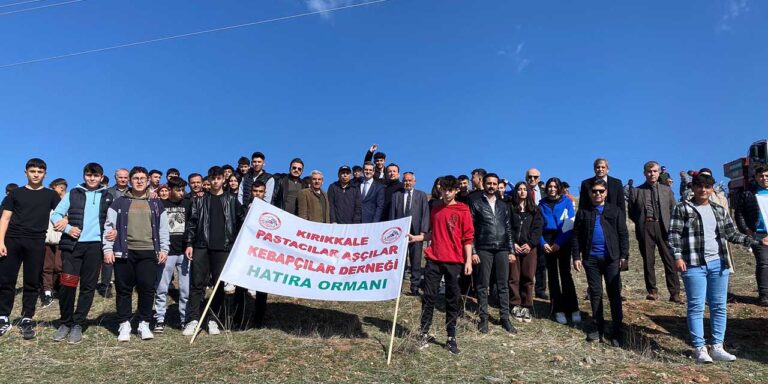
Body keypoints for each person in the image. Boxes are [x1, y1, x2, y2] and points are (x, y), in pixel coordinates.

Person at [669, 173, 764, 363]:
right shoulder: (682, 208)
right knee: (696, 306)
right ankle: (699, 348)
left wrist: (756, 241)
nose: (703, 190)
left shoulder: (719, 210)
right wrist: (677, 257)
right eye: (699, 186)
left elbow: (732, 234)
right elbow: (674, 235)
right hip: (694, 264)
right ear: (693, 188)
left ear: (712, 189)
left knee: (719, 306)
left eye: (707, 187)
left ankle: (717, 346)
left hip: (718, 264)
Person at [102, 166, 169, 342]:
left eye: (142, 178)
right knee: (123, 289)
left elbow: (163, 229)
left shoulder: (156, 203)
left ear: (148, 181)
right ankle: (124, 324)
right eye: (136, 178)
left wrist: (164, 249)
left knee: (147, 289)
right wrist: (108, 248)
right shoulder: (119, 203)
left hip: (148, 251)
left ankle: (144, 323)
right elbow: (109, 227)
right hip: (125, 252)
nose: (139, 181)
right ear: (130, 181)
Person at [50, 163, 114, 344]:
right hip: (73, 247)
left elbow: (114, 221)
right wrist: (68, 228)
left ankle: (78, 323)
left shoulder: (108, 197)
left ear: (101, 177)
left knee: (88, 286)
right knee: (67, 285)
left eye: (96, 175)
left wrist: (114, 231)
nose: (92, 178)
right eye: (88, 175)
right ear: (84, 176)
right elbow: (56, 215)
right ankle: (65, 322)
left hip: (94, 248)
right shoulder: (73, 194)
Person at [0, 158, 61, 339]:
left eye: (40, 172)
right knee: (6, 280)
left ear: (45, 174)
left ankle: (27, 317)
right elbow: (4, 219)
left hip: (36, 242)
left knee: (32, 281)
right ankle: (3, 317)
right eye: (33, 171)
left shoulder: (51, 195)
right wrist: (0, 241)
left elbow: (61, 213)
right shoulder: (15, 194)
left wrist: (64, 220)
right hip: (12, 240)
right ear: (25, 172)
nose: (36, 174)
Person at [183, 166, 244, 337]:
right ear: (208, 180)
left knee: (219, 285)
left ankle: (213, 320)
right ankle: (193, 320)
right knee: (197, 284)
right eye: (212, 178)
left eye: (218, 178)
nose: (216, 181)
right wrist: (189, 243)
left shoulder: (232, 200)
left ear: (223, 180)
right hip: (202, 246)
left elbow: (242, 222)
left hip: (223, 248)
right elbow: (192, 223)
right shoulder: (200, 201)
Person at [416, 176, 474, 355]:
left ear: (456, 190)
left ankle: (451, 337)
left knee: (452, 299)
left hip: (455, 261)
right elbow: (432, 234)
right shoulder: (435, 208)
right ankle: (423, 332)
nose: (447, 193)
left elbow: (468, 238)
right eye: (444, 189)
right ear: (439, 189)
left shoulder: (463, 209)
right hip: (434, 259)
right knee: (428, 297)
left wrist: (469, 261)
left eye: (451, 189)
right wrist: (417, 238)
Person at [572, 179, 629, 346]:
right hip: (591, 259)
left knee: (614, 294)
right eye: (594, 191)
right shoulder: (583, 212)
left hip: (612, 259)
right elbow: (576, 236)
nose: (597, 194)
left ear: (606, 193)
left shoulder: (615, 211)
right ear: (590, 193)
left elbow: (623, 234)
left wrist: (624, 256)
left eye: (600, 191)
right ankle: (598, 327)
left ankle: (618, 330)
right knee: (595, 294)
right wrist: (576, 256)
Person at [467, 173, 516, 334]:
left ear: (498, 185)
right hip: (484, 248)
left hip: (502, 248)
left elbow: (508, 229)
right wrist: (473, 251)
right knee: (482, 285)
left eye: (495, 184)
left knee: (503, 285)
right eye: (489, 183)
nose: (492, 186)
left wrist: (511, 250)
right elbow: (470, 230)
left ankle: (505, 318)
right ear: (484, 184)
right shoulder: (475, 203)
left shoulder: (503, 205)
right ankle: (484, 319)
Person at [628, 161, 681, 303]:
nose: (652, 174)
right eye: (649, 171)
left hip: (664, 228)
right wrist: (642, 222)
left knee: (669, 260)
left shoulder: (667, 190)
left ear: (659, 173)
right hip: (645, 227)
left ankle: (674, 293)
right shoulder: (636, 191)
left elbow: (673, 209)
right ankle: (652, 291)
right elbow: (632, 212)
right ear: (645, 173)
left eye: (655, 171)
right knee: (648, 260)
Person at [153, 177, 192, 333]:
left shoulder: (188, 204)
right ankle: (160, 319)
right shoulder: (160, 205)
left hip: (184, 252)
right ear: (169, 189)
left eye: (183, 190)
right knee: (162, 287)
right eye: (178, 190)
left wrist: (189, 244)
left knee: (185, 289)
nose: (181, 193)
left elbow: (191, 226)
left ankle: (185, 319)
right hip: (166, 252)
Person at [539, 177, 579, 325]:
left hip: (563, 238)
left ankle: (573, 307)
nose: (552, 189)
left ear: (559, 188)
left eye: (555, 186)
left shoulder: (567, 202)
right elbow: (537, 227)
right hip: (547, 239)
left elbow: (569, 224)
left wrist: (559, 243)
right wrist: (543, 243)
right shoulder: (540, 205)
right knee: (553, 275)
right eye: (549, 186)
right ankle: (557, 308)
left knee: (565, 273)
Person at [390, 172, 429, 296]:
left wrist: (423, 230)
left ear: (414, 182)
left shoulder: (421, 195)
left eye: (410, 180)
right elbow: (392, 214)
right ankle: (397, 286)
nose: (407, 182)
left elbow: (425, 213)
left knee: (416, 261)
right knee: (400, 261)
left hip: (416, 232)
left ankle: (415, 287)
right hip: (400, 232)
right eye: (405, 180)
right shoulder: (396, 195)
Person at [509, 181, 543, 323]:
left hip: (530, 249)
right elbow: (507, 228)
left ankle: (526, 305)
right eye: (519, 189)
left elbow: (538, 229)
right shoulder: (510, 208)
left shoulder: (535, 210)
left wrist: (530, 244)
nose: (522, 192)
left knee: (528, 277)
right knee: (514, 277)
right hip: (514, 248)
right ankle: (515, 304)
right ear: (515, 192)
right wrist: (512, 244)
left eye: (524, 189)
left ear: (528, 192)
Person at [734, 164, 768, 307]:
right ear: (756, 177)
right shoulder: (748, 194)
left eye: (767, 176)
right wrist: (746, 230)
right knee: (764, 264)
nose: (764, 178)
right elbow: (739, 213)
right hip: (758, 235)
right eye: (761, 176)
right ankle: (765, 295)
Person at [98, 168, 131, 298]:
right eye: (120, 177)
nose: (123, 179)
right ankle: (105, 286)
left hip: (127, 229)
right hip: (110, 228)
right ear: (115, 178)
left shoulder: (132, 192)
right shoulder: (107, 192)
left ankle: (124, 284)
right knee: (108, 258)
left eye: (125, 177)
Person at [41, 178, 68, 308]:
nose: (52, 191)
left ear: (61, 188)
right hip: (47, 238)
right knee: (47, 266)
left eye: (53, 188)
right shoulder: (47, 202)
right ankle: (47, 292)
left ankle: (60, 288)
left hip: (62, 239)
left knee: (59, 266)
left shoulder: (69, 202)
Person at [525, 168, 548, 300]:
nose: (532, 179)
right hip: (525, 230)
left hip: (541, 230)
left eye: (535, 177)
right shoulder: (521, 191)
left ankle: (540, 289)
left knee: (541, 261)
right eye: (530, 177)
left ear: (539, 178)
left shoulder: (545, 193)